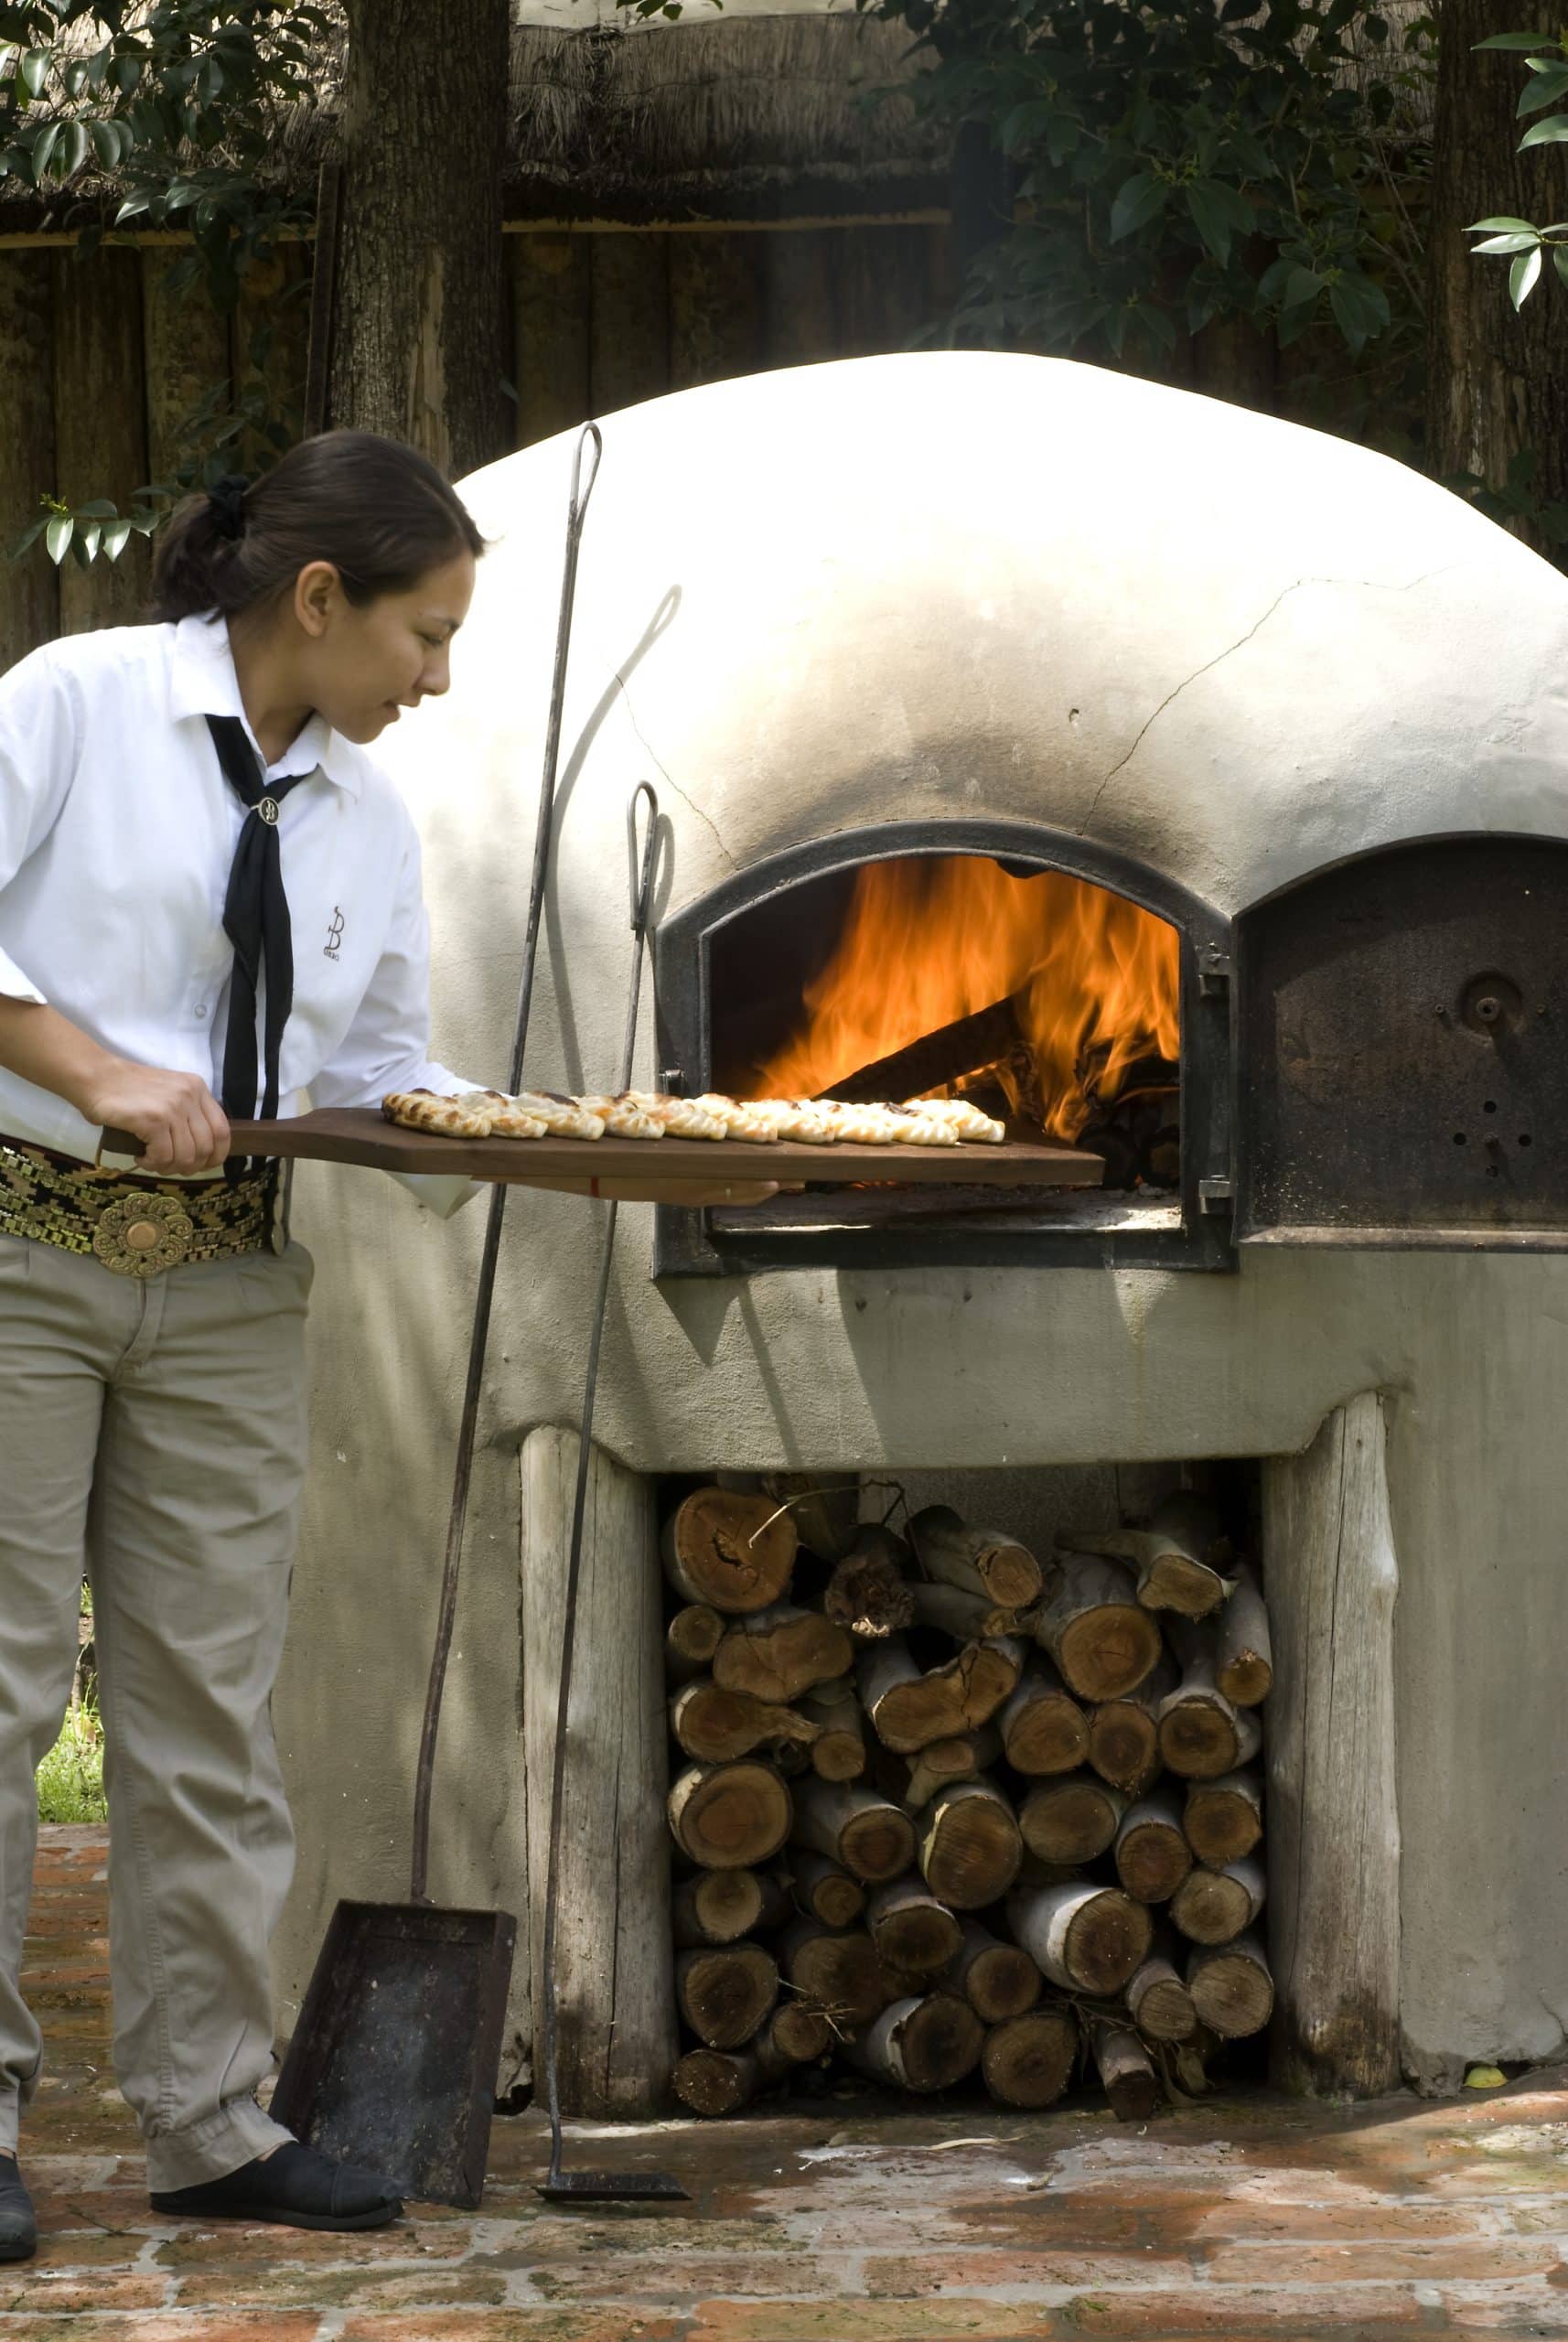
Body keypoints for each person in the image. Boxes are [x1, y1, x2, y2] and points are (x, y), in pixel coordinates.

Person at [0, 431, 758, 2259]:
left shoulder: (366, 816)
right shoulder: (75, 701)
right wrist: (101, 1070)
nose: (438, 677)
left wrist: (525, 1137)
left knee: (210, 1719)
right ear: (317, 600)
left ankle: (204, 2119)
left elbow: (369, 1077)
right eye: (423, 635)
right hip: (20, 1246)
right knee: (4, 1694)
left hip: (238, 1281)